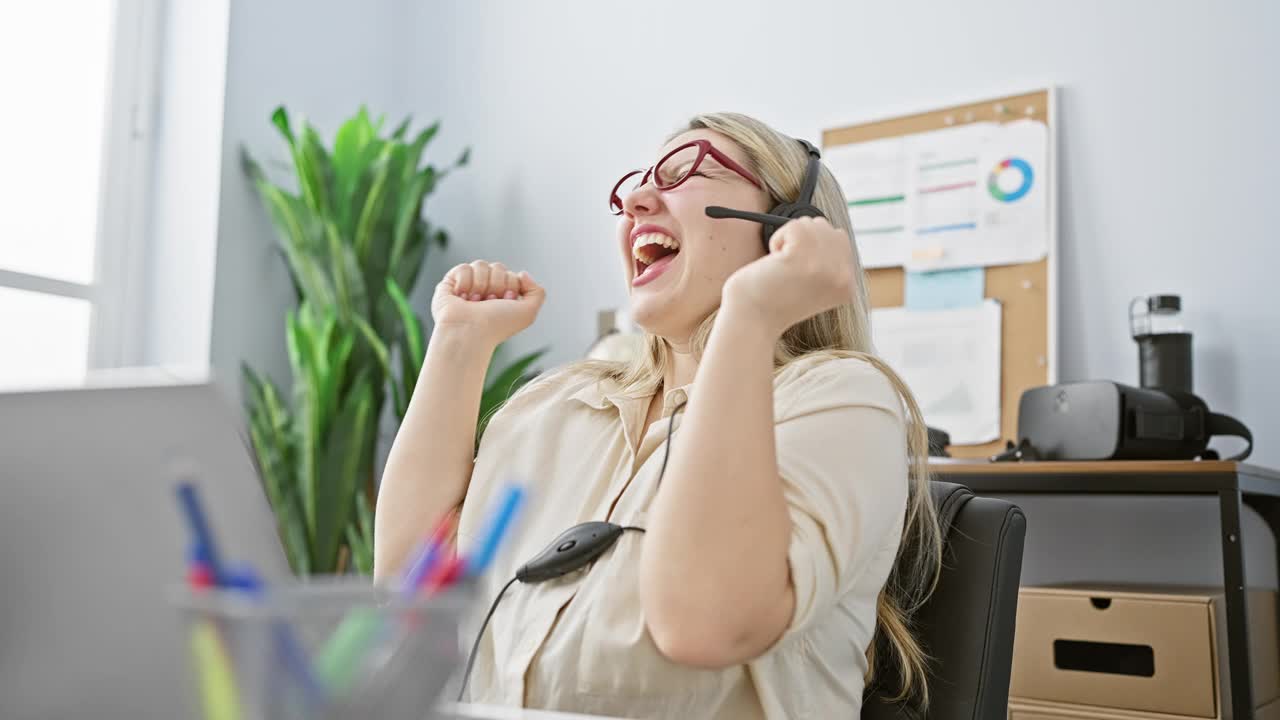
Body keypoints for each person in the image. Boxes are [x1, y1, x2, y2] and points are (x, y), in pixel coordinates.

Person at [374, 112, 942, 719]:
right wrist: (459, 342)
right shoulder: (555, 405)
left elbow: (704, 625)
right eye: (633, 188)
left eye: (682, 172)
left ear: (786, 224)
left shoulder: (841, 398)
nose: (636, 201)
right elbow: (411, 592)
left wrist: (749, 314)